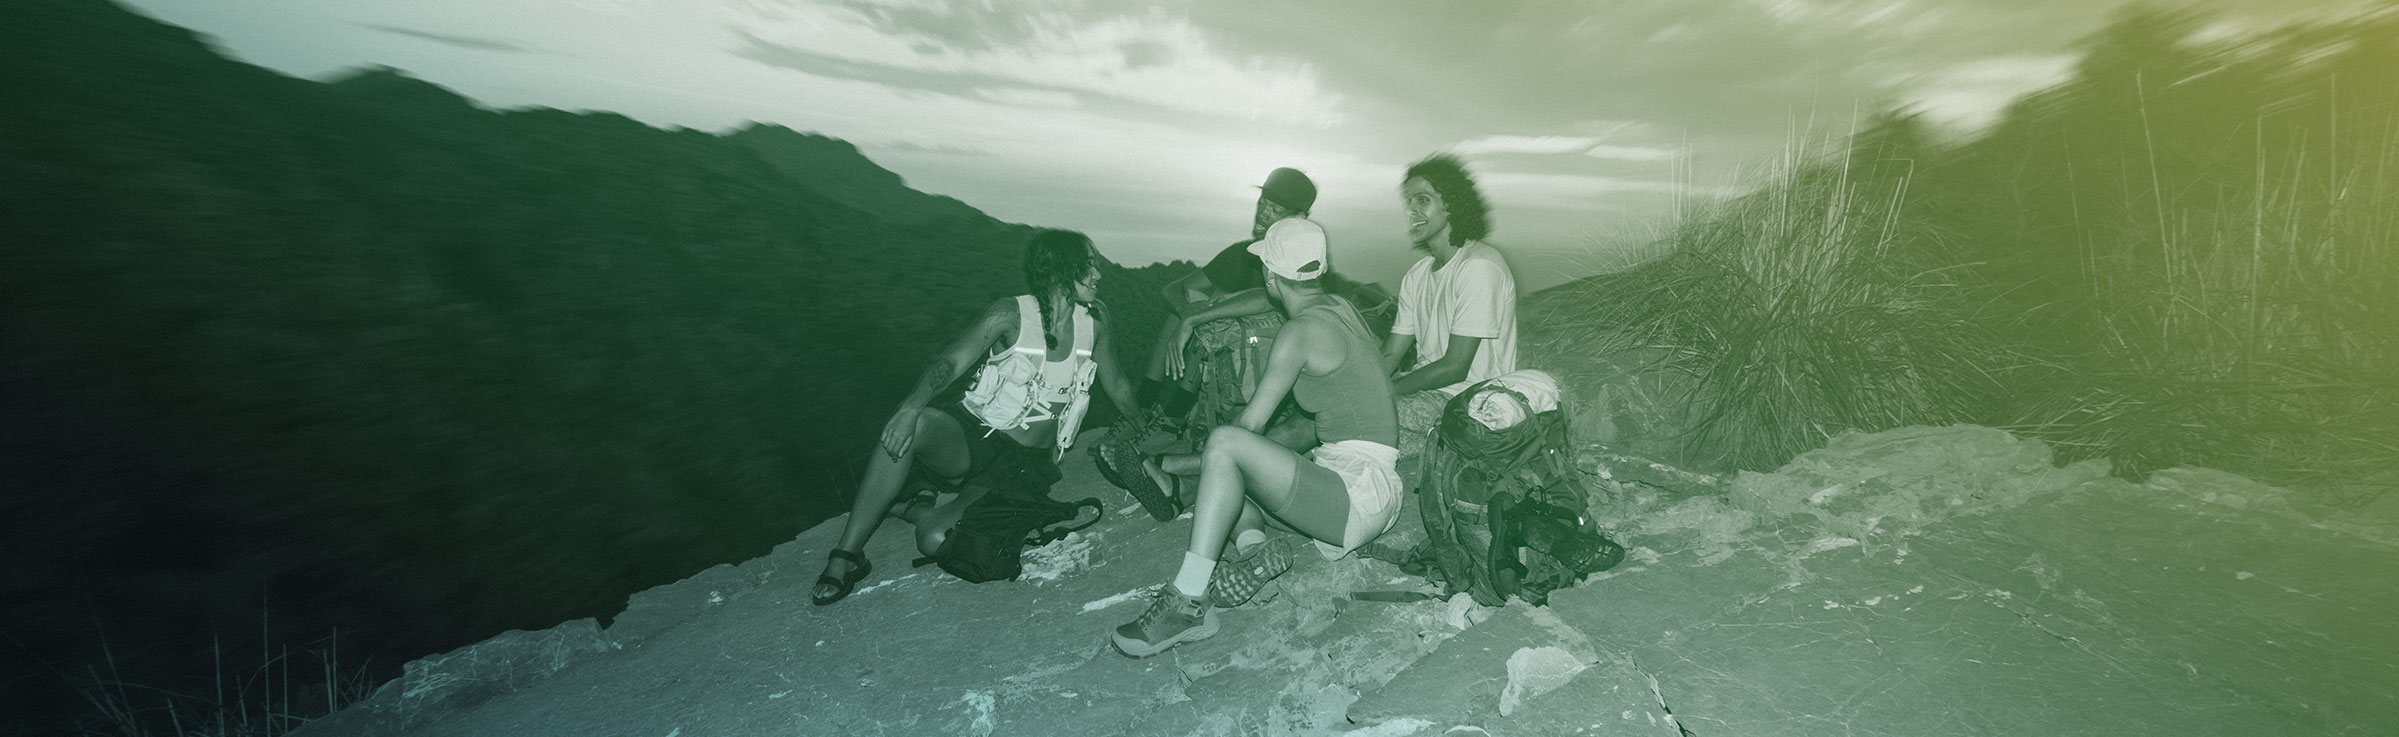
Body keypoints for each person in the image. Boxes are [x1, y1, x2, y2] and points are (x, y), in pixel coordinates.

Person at [1111, 218, 1400, 657]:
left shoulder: (1298, 333)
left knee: (1226, 446)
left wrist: (1211, 451)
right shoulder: (1338, 307)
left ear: (1269, 275)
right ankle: (1254, 549)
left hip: (1355, 494)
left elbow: (1247, 429)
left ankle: (1187, 600)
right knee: (1225, 495)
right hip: (1367, 485)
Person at [812, 230, 1138, 606]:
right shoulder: (1008, 314)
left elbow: (1117, 383)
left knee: (935, 538)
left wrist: (1146, 424)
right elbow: (950, 363)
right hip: (973, 437)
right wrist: (908, 408)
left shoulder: (1094, 321)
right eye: (1089, 264)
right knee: (915, 424)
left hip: (1022, 467)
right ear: (1060, 271)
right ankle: (847, 556)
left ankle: (909, 506)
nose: (1099, 273)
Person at [1137, 167, 1318, 416]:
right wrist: (1186, 312)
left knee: (1213, 304)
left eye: (1276, 210)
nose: (1264, 213)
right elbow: (1174, 289)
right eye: (1263, 202)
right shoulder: (1241, 254)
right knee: (1192, 300)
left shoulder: (1304, 258)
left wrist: (1203, 314)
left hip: (1276, 354)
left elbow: (1270, 300)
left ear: (1298, 218)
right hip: (1229, 355)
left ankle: (1175, 416)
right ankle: (1143, 404)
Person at [1382, 154, 1517, 458]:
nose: (1411, 210)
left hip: (1467, 403)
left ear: (1451, 204)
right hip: (1426, 394)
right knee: (1340, 412)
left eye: (1423, 200)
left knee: (1355, 420)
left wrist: (1386, 390)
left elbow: (1455, 367)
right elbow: (1392, 352)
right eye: (1408, 202)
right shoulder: (1417, 276)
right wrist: (1365, 382)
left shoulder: (1479, 266)